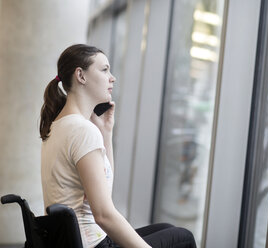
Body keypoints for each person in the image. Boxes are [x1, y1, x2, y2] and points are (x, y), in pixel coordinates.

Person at [39, 44, 197, 248]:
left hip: (75, 241)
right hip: (92, 243)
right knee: (183, 238)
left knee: (166, 228)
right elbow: (103, 215)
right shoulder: (82, 131)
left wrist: (106, 133)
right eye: (104, 70)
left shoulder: (59, 124)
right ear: (81, 75)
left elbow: (104, 192)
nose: (112, 77)